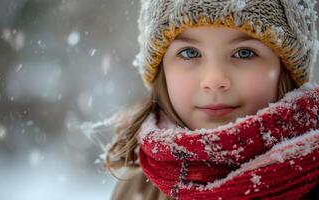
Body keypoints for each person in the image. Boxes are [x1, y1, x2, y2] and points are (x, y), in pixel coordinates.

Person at [105, 0, 319, 199]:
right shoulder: (138, 187)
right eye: (189, 53)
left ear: (285, 69)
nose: (214, 80)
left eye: (244, 53)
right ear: (162, 71)